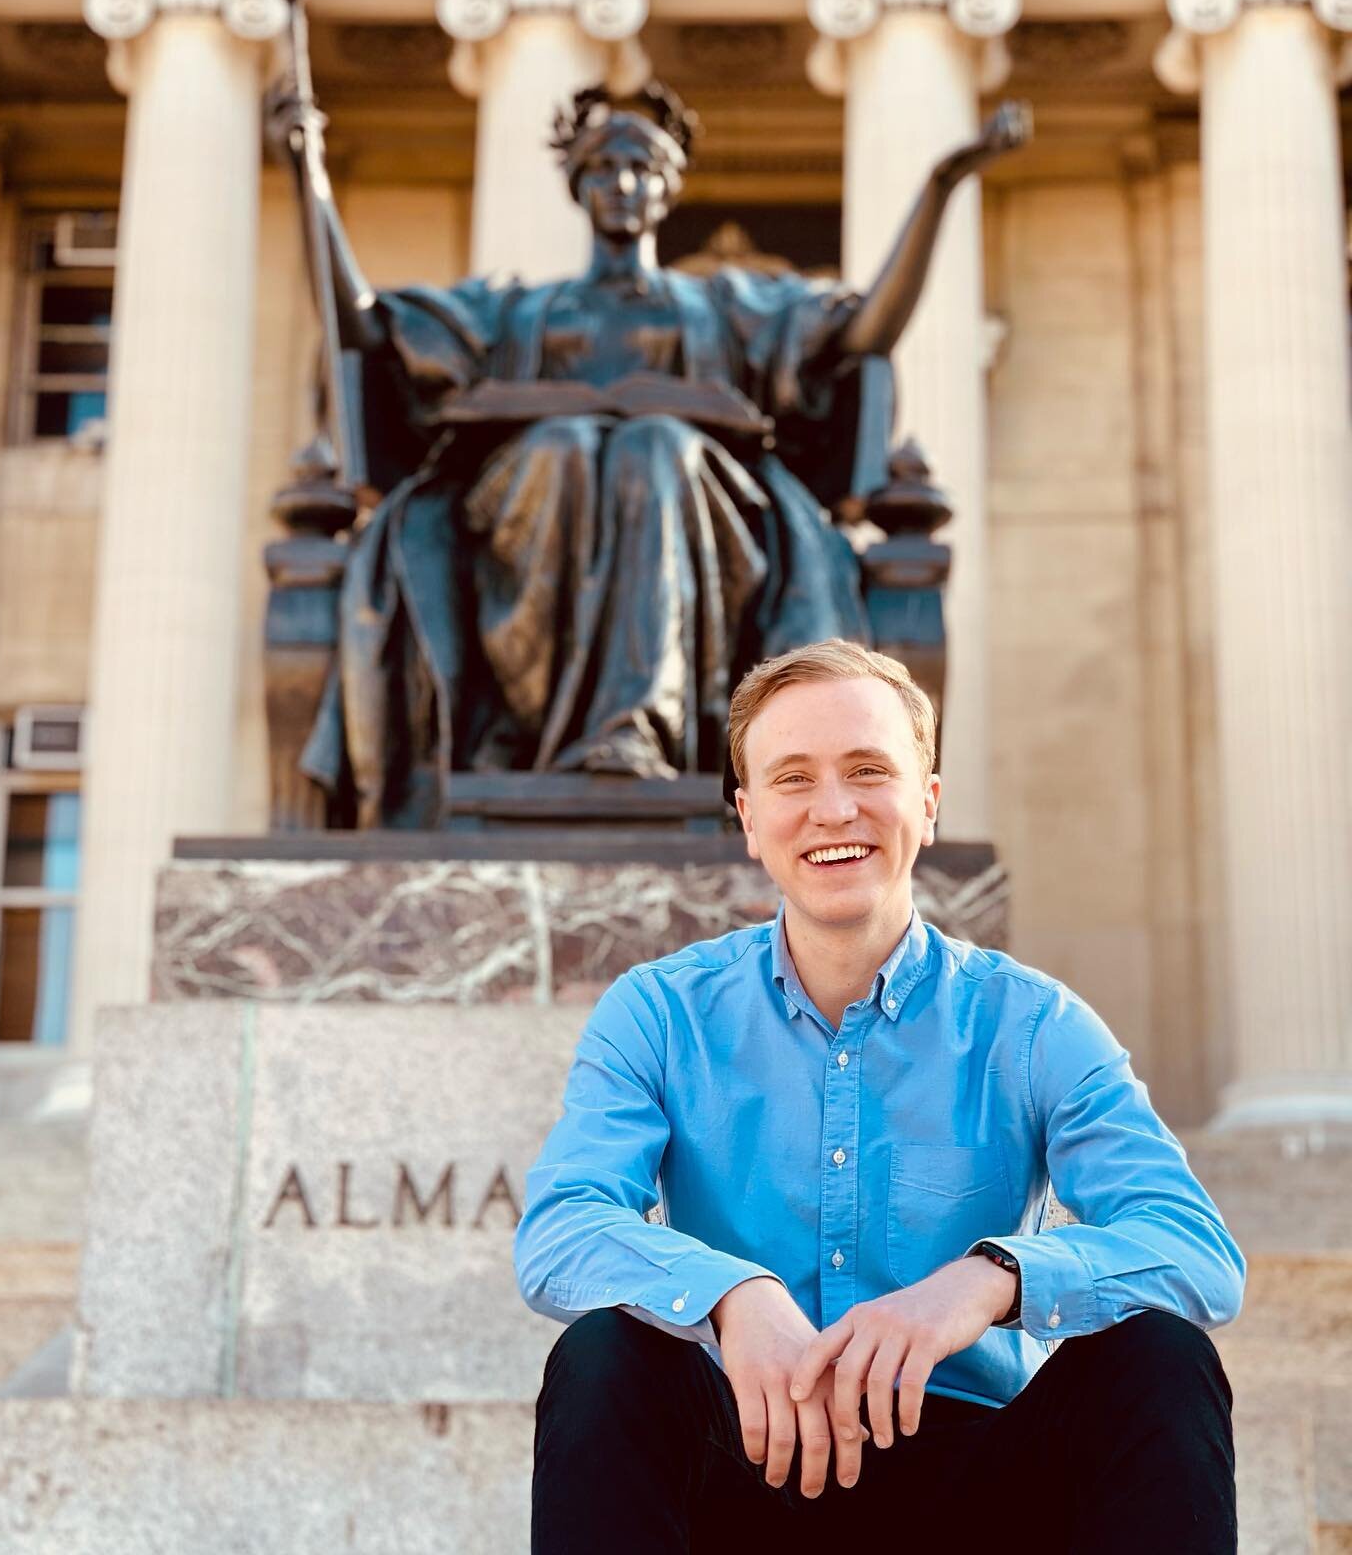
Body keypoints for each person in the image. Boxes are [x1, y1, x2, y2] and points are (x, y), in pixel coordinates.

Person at [514, 638, 1244, 1553]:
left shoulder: (1033, 1024)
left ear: (926, 804)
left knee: (1161, 1360)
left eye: (869, 770)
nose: (834, 809)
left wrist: (989, 1281)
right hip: (746, 1460)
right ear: (748, 817)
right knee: (605, 1360)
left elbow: (1198, 1252)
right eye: (793, 779)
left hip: (979, 1486)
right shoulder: (659, 1013)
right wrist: (732, 1295)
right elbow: (559, 1228)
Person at [275, 81, 1029, 822]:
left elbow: (864, 332)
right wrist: (311, 179)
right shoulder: (517, 312)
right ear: (578, 186)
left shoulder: (723, 309)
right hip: (527, 502)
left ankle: (636, 729)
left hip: (699, 508)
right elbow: (366, 329)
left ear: (668, 190)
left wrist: (940, 185)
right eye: (603, 168)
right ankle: (532, 720)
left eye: (642, 169)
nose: (623, 184)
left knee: (654, 447)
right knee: (566, 445)